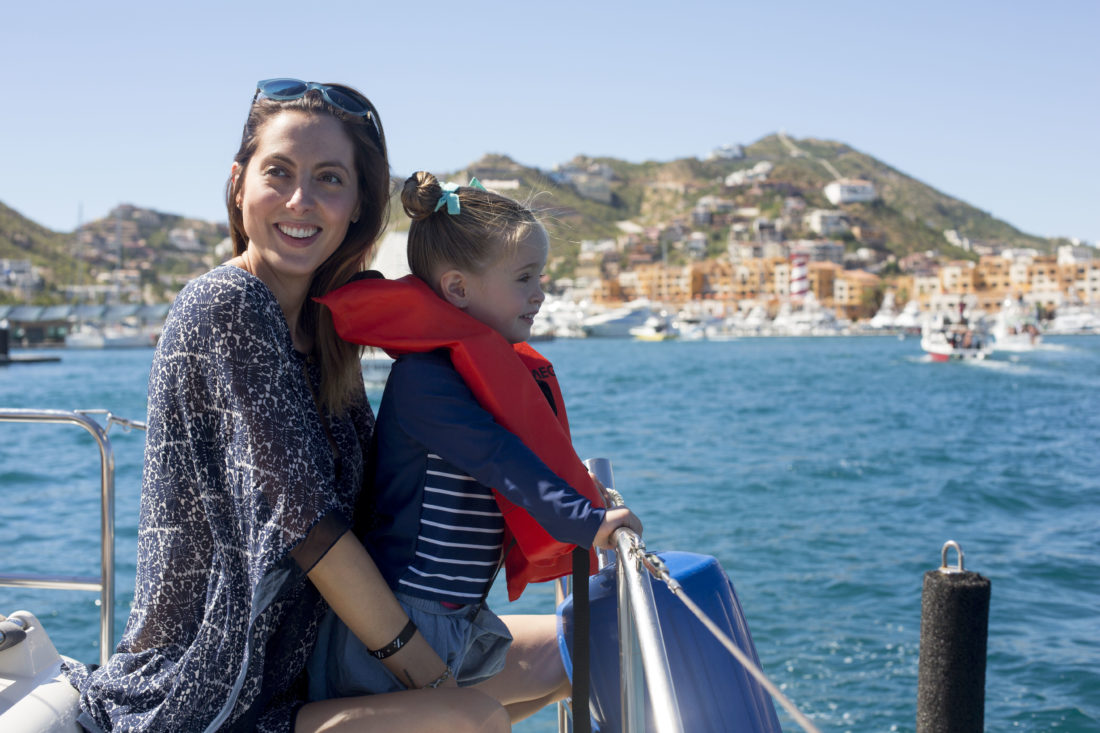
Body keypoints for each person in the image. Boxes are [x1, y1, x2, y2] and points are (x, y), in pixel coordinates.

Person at [64, 81, 508, 732]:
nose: (302, 201)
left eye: (330, 178)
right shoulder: (226, 306)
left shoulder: (325, 334)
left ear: (358, 206)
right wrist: (429, 673)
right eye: (280, 172)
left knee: (578, 648)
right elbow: (313, 530)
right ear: (239, 183)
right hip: (211, 698)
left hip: (312, 667)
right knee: (473, 716)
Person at [309, 171, 643, 723]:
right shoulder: (425, 381)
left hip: (453, 615)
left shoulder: (469, 371)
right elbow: (500, 459)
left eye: (541, 276)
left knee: (550, 681)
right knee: (476, 718)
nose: (540, 293)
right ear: (458, 289)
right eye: (524, 277)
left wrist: (588, 502)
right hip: (404, 621)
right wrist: (586, 521)